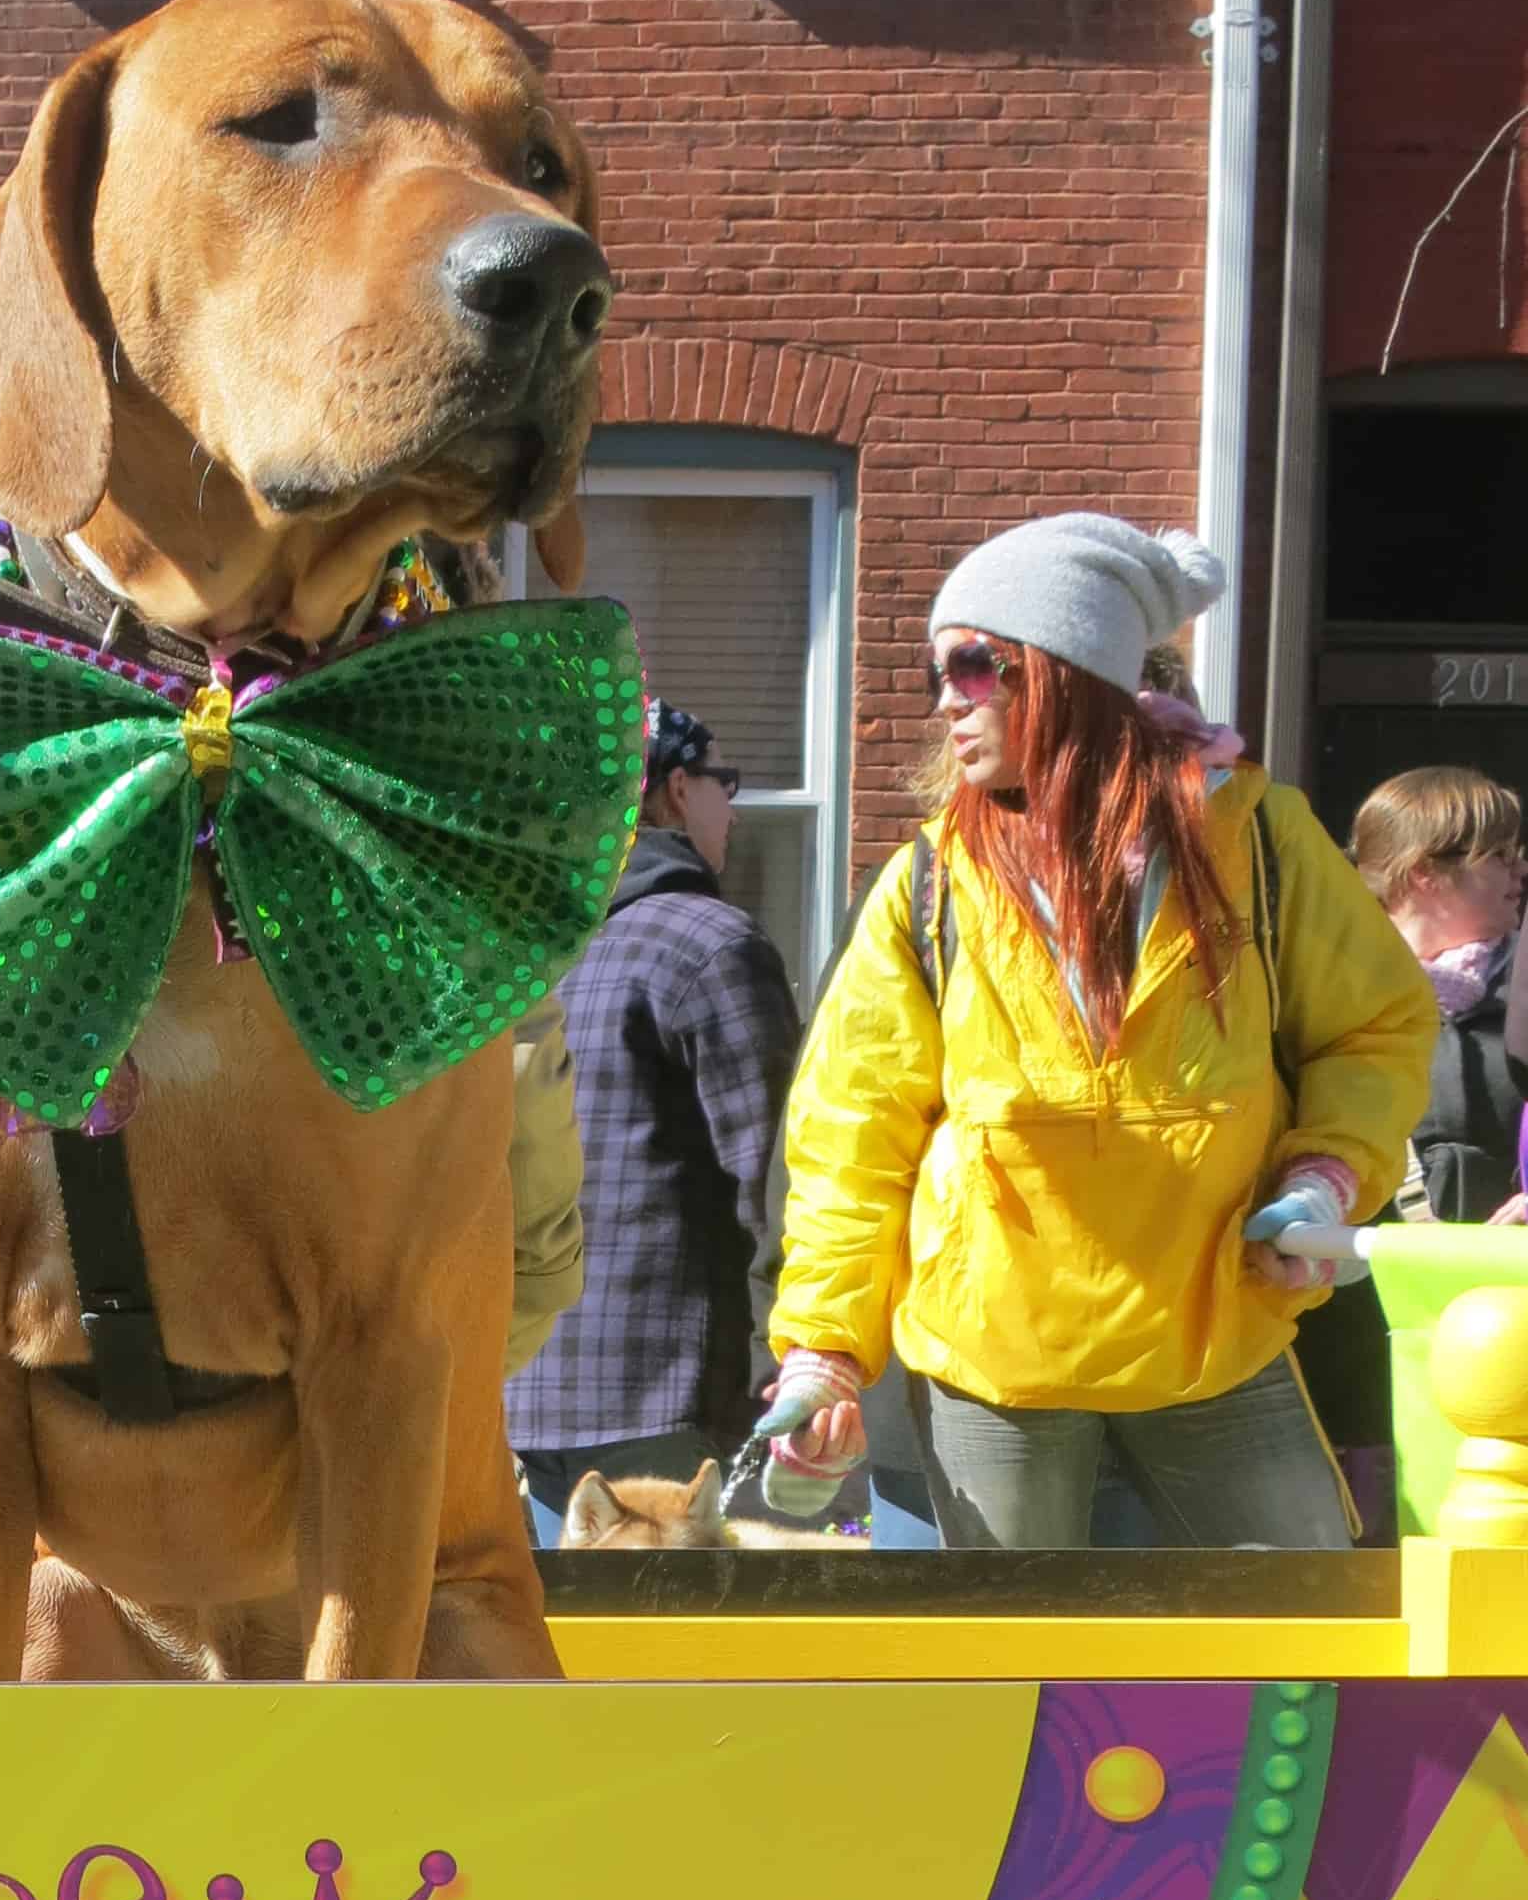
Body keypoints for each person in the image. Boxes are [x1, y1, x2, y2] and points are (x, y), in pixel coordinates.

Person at [759, 516, 1434, 1550]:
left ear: (1066, 673)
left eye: (976, 665)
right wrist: (822, 1353)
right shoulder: (929, 883)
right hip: (995, 1359)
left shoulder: (1260, 843)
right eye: (940, 668)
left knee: (1311, 1639)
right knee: (1012, 1681)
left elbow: (1376, 1025)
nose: (945, 697)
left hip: (1215, 1331)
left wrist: (1328, 1177)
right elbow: (852, 1137)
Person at [507, 701, 800, 1544]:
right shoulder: (711, 943)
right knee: (698, 1667)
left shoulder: (532, 956)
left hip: (526, 1387)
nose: (732, 809)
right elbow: (777, 1172)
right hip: (671, 1397)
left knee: (569, 1664)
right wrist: (804, 1353)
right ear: (676, 788)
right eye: (723, 783)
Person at [1351, 768, 1528, 1218]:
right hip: (1370, 1269)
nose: (1522, 869)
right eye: (1501, 856)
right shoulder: (1338, 995)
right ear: (1425, 872)